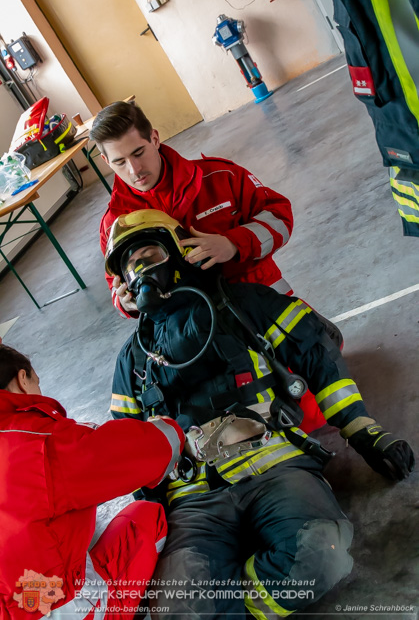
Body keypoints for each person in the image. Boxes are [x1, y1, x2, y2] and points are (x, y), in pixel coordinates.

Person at [105, 209, 414, 620]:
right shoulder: (134, 359)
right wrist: (152, 515)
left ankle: (241, 607)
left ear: (183, 253)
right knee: (177, 608)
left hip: (276, 468)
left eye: (150, 255)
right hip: (193, 498)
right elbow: (124, 447)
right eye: (131, 267)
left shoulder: (244, 306)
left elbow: (318, 355)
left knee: (323, 555)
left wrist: (363, 431)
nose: (142, 273)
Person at [0, 344, 184, 620]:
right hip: (56, 607)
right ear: (22, 379)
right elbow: (144, 451)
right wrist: (172, 428)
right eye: (37, 382)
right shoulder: (37, 443)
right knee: (147, 516)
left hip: (11, 604)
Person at [90, 100, 294, 317]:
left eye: (139, 153)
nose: (134, 169)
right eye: (120, 162)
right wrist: (125, 303)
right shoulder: (114, 224)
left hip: (267, 309)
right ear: (106, 162)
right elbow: (116, 284)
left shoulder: (220, 177)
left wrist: (233, 243)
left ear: (155, 139)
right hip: (192, 331)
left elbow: (280, 217)